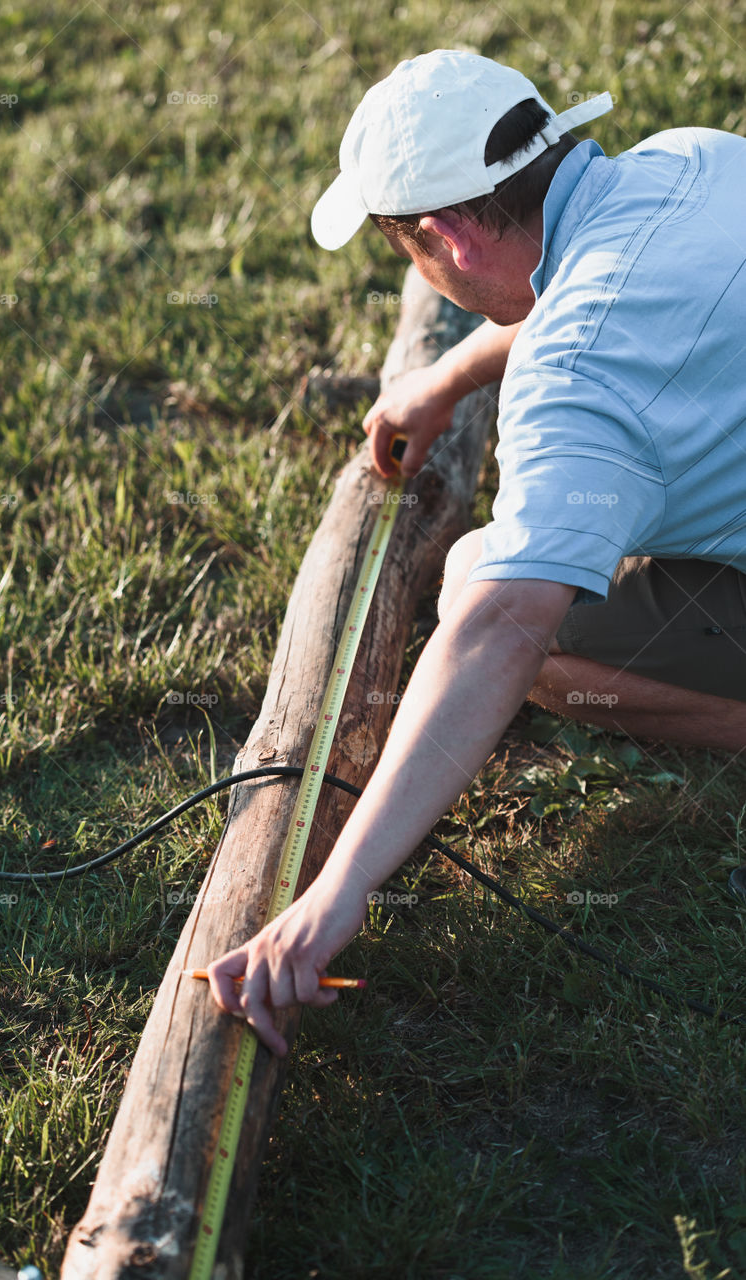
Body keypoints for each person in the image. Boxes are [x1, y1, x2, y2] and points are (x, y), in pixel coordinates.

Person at [206, 49, 746, 1057]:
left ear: (447, 235)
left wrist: (338, 889)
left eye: (401, 251)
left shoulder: (575, 370)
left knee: (492, 598)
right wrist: (452, 371)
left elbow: (502, 628)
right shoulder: (690, 160)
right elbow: (605, 287)